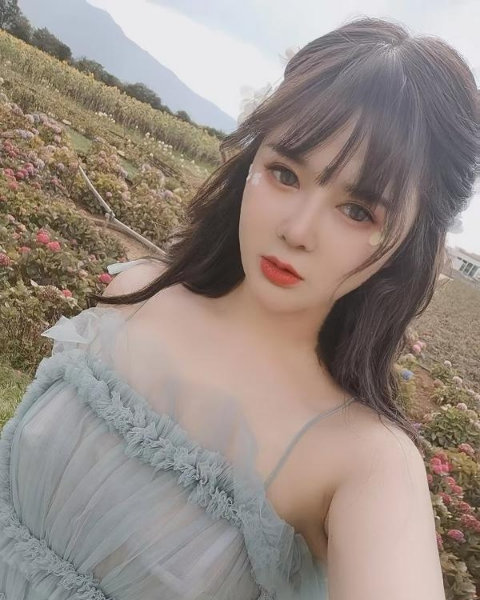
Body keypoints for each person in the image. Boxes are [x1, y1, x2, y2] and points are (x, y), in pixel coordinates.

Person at [0, 15, 478, 600]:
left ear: (409, 243)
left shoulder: (364, 464)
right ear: (251, 162)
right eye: (284, 173)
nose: (297, 230)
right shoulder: (136, 293)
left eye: (358, 211)